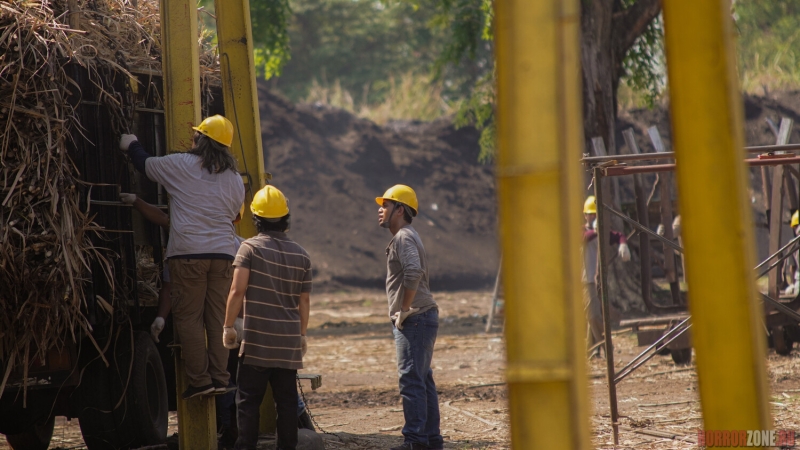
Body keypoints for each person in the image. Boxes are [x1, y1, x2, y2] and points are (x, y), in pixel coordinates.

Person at [119, 114, 245, 399]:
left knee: (188, 318)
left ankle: (200, 381)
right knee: (217, 320)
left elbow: (146, 165)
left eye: (195, 135)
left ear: (200, 140)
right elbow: (235, 216)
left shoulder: (181, 165)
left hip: (189, 254)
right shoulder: (235, 180)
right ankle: (221, 378)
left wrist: (131, 144)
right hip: (224, 255)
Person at [222, 185, 311, 450]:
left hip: (258, 343)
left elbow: (237, 291)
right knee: (285, 404)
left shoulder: (249, 249)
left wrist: (228, 327)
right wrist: (302, 334)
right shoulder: (302, 255)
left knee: (248, 401)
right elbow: (303, 301)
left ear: (256, 219)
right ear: (286, 219)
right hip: (288, 345)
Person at [376, 185, 443, 450]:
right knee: (422, 379)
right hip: (422, 317)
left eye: (385, 205)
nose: (380, 210)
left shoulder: (403, 236)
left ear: (399, 209)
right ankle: (430, 441)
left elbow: (413, 271)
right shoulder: (408, 235)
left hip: (415, 319)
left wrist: (403, 309)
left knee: (412, 380)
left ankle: (415, 442)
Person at [582, 195, 630, 354]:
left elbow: (618, 235)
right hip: (585, 280)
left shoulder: (600, 232)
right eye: (591, 214)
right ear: (585, 215)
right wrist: (595, 231)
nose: (593, 216)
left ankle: (591, 350)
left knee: (592, 316)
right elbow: (583, 239)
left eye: (596, 214)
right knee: (594, 316)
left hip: (598, 280)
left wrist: (623, 245)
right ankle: (607, 347)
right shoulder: (582, 231)